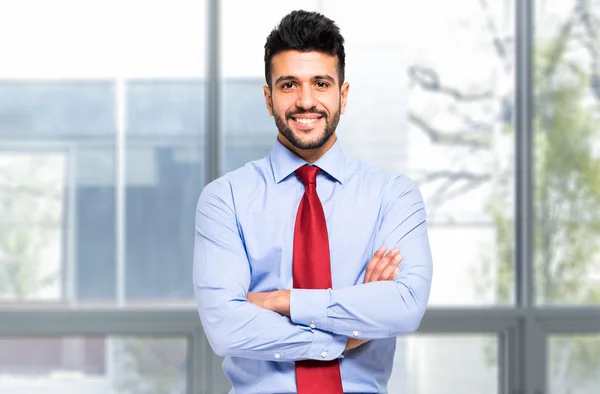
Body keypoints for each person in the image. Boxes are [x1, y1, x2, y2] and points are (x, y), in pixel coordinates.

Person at [193, 9, 433, 394]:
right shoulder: (226, 199)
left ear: (343, 94)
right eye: (289, 85)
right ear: (269, 98)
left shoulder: (393, 195)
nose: (306, 101)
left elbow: (404, 305)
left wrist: (281, 301)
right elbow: (226, 328)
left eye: (321, 83)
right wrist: (345, 335)